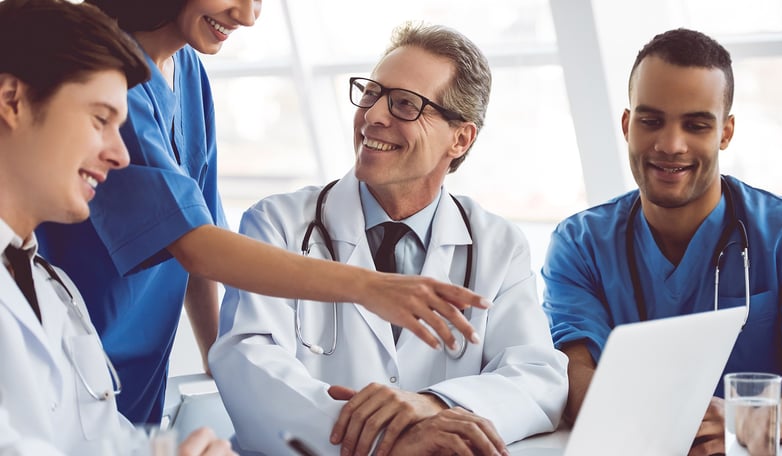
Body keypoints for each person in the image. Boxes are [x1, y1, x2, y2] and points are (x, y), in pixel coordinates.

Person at [35, 0, 488, 425]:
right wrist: (369, 286)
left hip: (137, 384)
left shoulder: (188, 71)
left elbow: (204, 226)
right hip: (68, 367)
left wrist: (223, 364)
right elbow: (197, 247)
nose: (249, 16)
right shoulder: (109, 79)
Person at [209, 22, 569, 456]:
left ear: (460, 138)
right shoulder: (277, 223)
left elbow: (538, 377)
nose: (373, 116)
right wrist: (386, 438)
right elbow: (248, 363)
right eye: (371, 93)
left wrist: (431, 406)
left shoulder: (497, 243)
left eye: (404, 105)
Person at [541, 28, 782, 455]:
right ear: (628, 125)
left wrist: (751, 420)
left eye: (696, 124)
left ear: (725, 132)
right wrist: (668, 428)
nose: (670, 145)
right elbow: (577, 376)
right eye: (651, 121)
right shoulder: (579, 245)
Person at [0, 0, 235, 454]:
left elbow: (100, 437)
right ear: (12, 101)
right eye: (100, 120)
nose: (122, 155)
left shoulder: (56, 292)